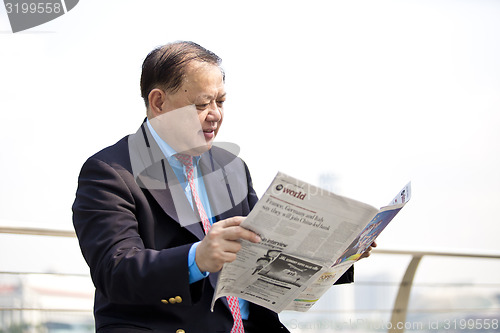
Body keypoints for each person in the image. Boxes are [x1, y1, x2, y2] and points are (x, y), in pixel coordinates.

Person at [72, 41, 374, 333]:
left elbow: (266, 251)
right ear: (159, 102)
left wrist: (338, 255)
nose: (215, 114)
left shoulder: (231, 167)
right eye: (202, 103)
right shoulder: (110, 172)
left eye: (221, 101)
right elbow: (115, 273)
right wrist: (197, 258)